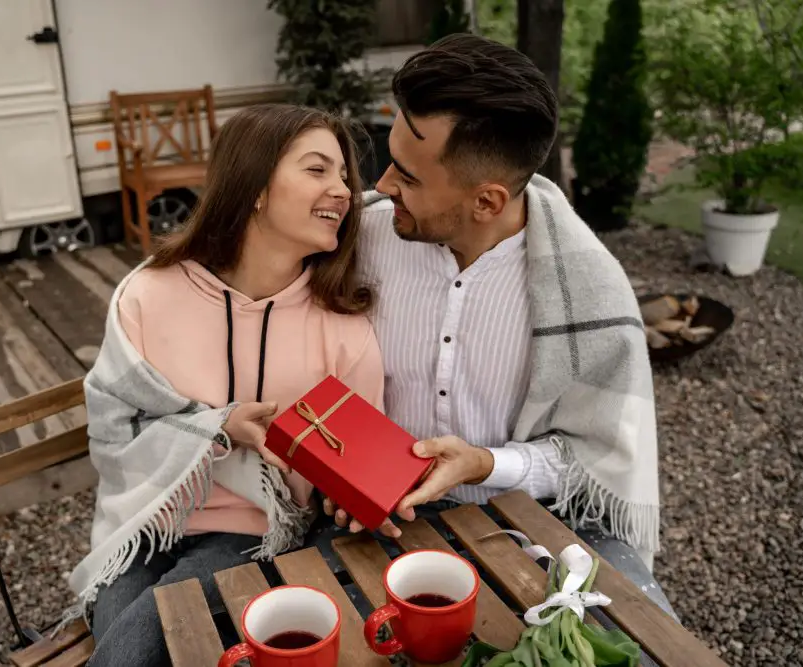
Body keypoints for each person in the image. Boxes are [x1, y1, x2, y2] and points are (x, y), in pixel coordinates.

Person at [317, 33, 677, 622]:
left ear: (486, 201)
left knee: (644, 644)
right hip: (375, 520)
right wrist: (339, 471)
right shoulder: (354, 239)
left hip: (537, 520)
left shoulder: (588, 292)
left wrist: (487, 463)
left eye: (407, 178)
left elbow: (597, 459)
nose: (379, 187)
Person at [66, 104, 386, 667]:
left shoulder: (344, 329)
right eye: (317, 170)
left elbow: (353, 467)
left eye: (344, 177)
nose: (342, 191)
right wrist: (218, 428)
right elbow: (114, 425)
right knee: (126, 637)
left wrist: (349, 492)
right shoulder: (147, 294)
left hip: (251, 534)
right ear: (254, 186)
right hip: (145, 521)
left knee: (132, 648)